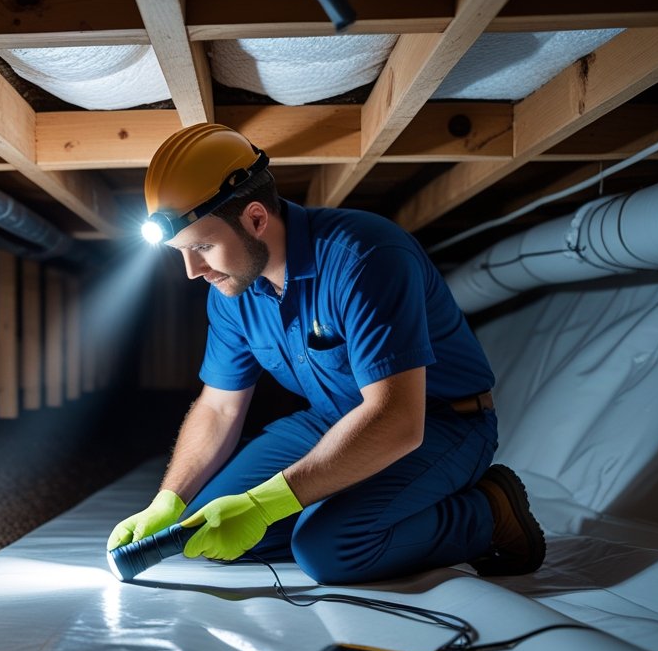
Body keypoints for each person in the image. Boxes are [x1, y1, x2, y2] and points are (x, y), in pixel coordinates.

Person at [108, 123, 545, 584]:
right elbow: (218, 406)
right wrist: (168, 500)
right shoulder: (232, 291)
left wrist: (266, 503)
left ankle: (487, 513)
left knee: (327, 549)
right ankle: (341, 506)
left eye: (202, 247)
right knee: (201, 530)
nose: (193, 271)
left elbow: (396, 419)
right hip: (334, 421)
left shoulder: (364, 257)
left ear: (256, 219)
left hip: (439, 422)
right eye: (181, 252)